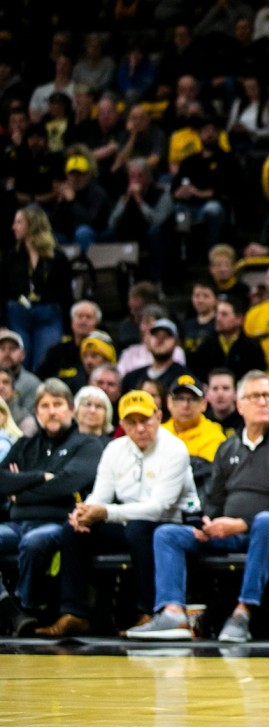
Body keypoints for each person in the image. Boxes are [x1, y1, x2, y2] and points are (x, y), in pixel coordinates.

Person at [126, 371, 269, 643]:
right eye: (255, 396)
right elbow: (214, 500)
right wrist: (206, 524)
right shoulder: (227, 447)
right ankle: (173, 613)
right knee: (166, 534)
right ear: (240, 405)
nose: (264, 402)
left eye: (267, 396)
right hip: (228, 531)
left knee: (267, 521)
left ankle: (242, 613)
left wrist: (241, 523)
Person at [35, 390, 196, 637]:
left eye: (145, 420)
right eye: (132, 423)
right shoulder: (114, 449)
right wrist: (84, 512)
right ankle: (74, 613)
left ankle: (148, 612)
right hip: (128, 520)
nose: (140, 428)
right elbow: (101, 495)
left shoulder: (175, 449)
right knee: (74, 531)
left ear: (159, 416)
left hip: (171, 524)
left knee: (139, 529)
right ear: (121, 424)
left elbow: (158, 507)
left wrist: (105, 512)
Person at [0, 379, 106, 636]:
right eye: (45, 406)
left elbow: (68, 484)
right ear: (37, 413)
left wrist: (20, 493)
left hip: (57, 523)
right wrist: (39, 477)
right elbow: (1, 480)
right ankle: (10, 608)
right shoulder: (25, 444)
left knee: (34, 543)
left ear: (71, 409)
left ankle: (25, 605)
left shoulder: (87, 444)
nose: (51, 411)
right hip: (15, 524)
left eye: (57, 404)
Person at [3, 205, 72, 371]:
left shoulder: (57, 258)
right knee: (18, 363)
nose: (14, 227)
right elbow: (2, 291)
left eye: (18, 222)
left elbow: (66, 294)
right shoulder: (11, 256)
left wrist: (68, 328)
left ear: (32, 224)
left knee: (45, 363)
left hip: (48, 315)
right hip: (18, 313)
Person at [188, 295, 267, 382]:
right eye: (217, 313)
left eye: (224, 314)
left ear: (239, 319)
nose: (218, 318)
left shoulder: (252, 347)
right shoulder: (206, 345)